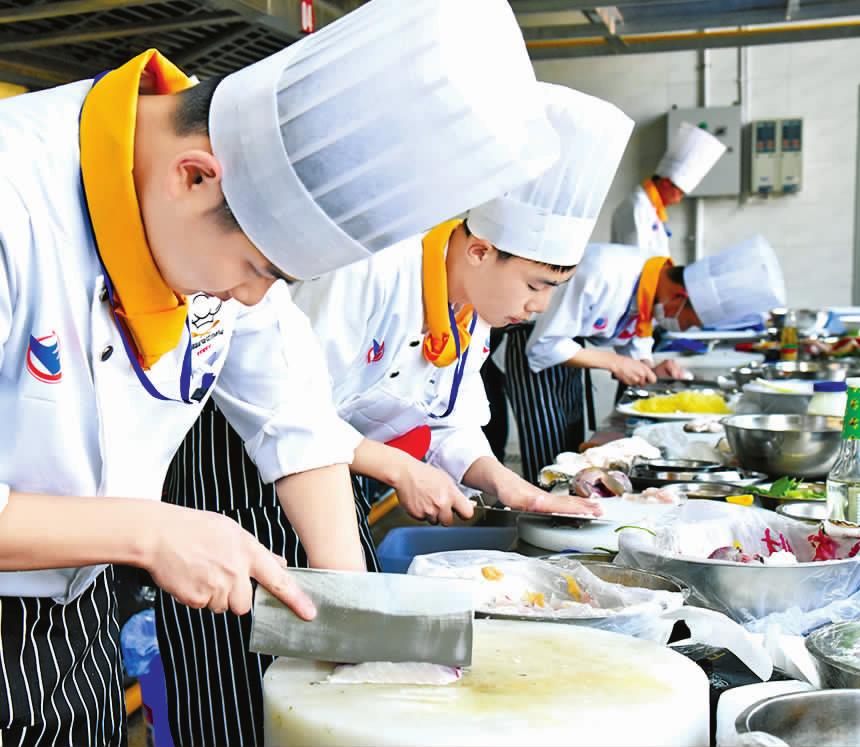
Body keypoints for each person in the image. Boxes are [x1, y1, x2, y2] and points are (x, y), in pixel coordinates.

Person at [0, 0, 552, 743]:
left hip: (78, 594)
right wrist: (150, 532)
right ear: (194, 175)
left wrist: (354, 617)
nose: (254, 297)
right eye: (256, 269)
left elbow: (294, 414)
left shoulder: (211, 216)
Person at [155, 83, 625, 747]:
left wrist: (505, 484)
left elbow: (451, 419)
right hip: (230, 467)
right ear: (479, 251)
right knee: (238, 664)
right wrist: (393, 464)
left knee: (339, 663)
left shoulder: (471, 315)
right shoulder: (373, 270)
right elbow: (284, 400)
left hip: (318, 475)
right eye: (535, 285)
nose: (536, 307)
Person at [510, 236, 787, 479]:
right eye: (692, 321)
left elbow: (637, 330)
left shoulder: (651, 279)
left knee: (568, 445)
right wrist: (615, 362)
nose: (687, 328)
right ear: (680, 296)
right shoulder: (602, 272)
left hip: (568, 350)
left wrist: (650, 368)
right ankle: (540, 509)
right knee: (548, 453)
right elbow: (543, 346)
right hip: (533, 346)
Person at [610, 122, 727, 255]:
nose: (678, 200)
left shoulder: (653, 210)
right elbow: (634, 259)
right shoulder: (636, 207)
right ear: (666, 183)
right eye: (679, 193)